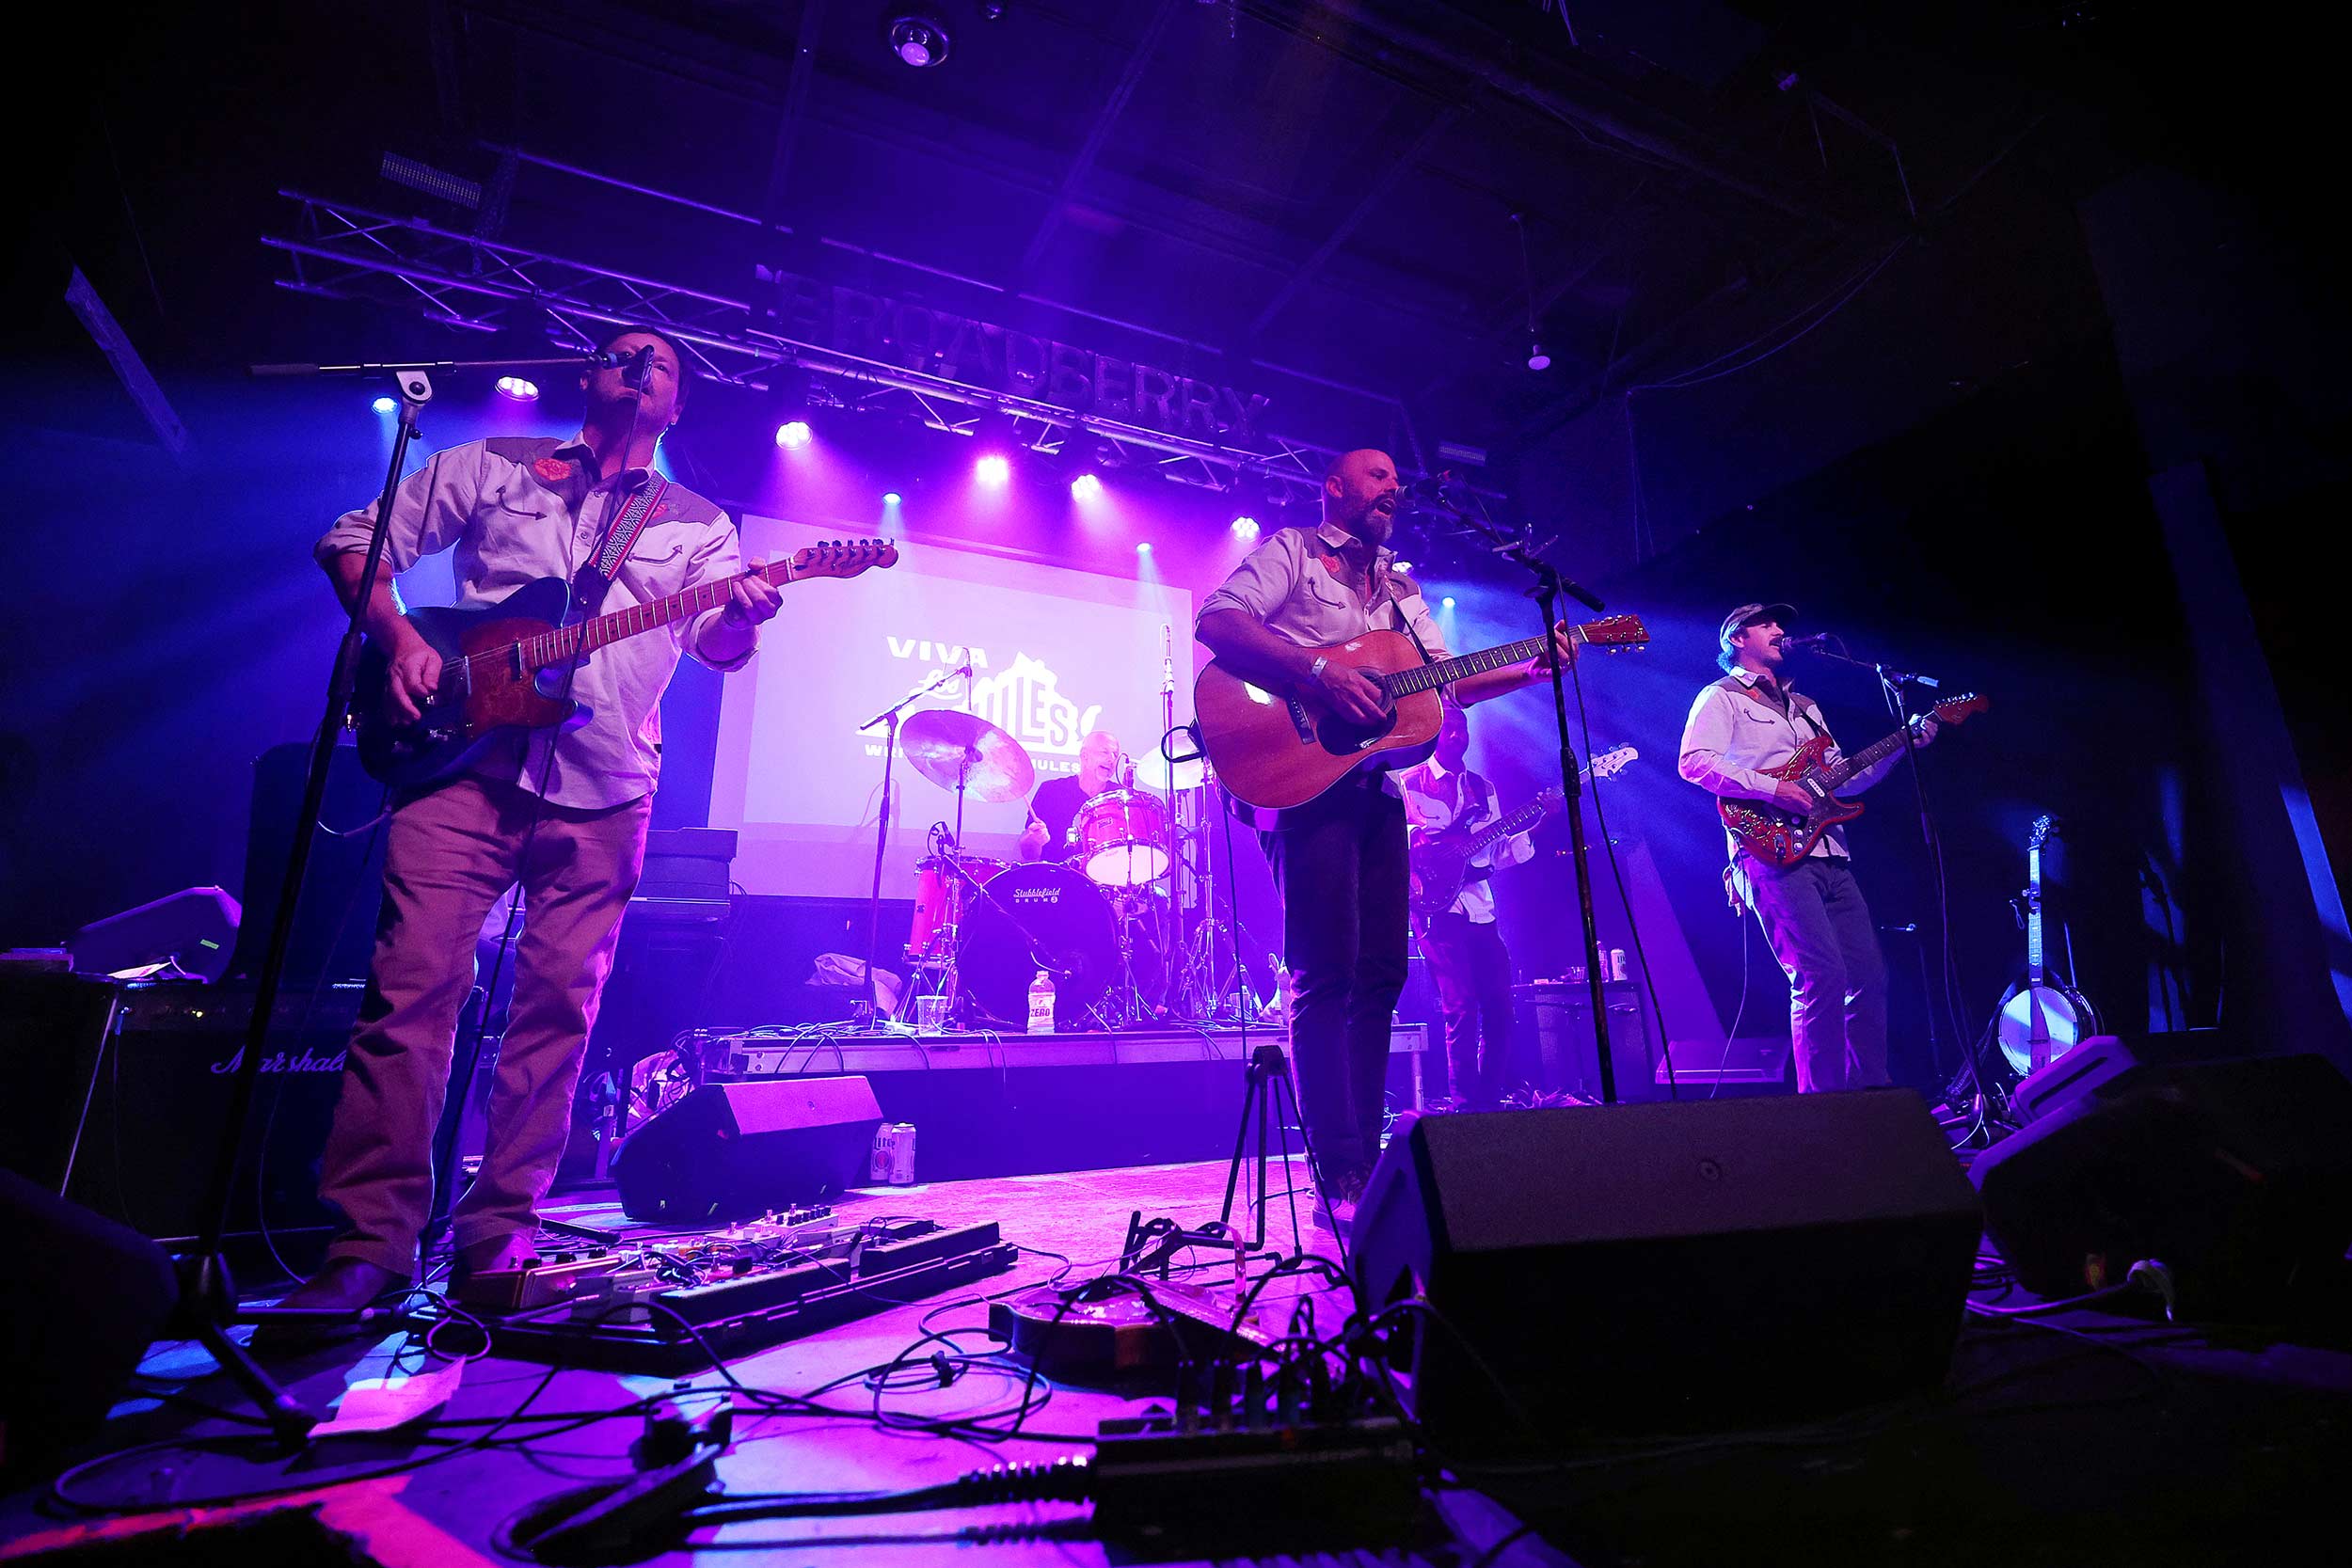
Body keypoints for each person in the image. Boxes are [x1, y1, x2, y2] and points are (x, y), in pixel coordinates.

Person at [274, 325, 785, 1326]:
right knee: (410, 993)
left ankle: (497, 1235)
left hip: (605, 784)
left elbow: (714, 641)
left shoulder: (697, 523)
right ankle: (367, 1246)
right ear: (591, 376)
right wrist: (403, 637)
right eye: (623, 352)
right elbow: (353, 540)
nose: (642, 366)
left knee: (556, 1013)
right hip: (464, 758)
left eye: (665, 362)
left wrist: (745, 614)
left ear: (676, 405)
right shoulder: (495, 467)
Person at [1195, 449, 1576, 1233]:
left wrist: (1533, 668)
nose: (1393, 487)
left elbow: (1446, 679)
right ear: (1335, 487)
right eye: (1376, 476)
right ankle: (1331, 1161)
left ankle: (1363, 1157)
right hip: (1300, 781)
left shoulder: (1402, 591)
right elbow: (1218, 621)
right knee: (1324, 973)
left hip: (1377, 788)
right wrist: (1316, 673)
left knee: (1380, 975)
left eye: (1397, 480)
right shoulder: (1294, 552)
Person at [1677, 604, 1936, 1094]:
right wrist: (1773, 789)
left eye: (1781, 624)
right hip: (1771, 852)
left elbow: (1848, 777)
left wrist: (1904, 743)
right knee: (1820, 975)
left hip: (1830, 851)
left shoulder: (1807, 707)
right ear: (1737, 638)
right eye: (1767, 625)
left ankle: (1871, 1097)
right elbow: (1694, 762)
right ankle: (1824, 1107)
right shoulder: (1721, 698)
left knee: (1869, 977)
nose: (1780, 631)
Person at [1398, 703, 1535, 1111]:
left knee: (1499, 1006)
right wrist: (1418, 843)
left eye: (1463, 729)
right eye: (1449, 729)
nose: (1458, 735)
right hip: (1434, 909)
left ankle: (1488, 1102)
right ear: (1433, 732)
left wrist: (1532, 825)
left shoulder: (1484, 789)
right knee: (1460, 1005)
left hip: (1479, 908)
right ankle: (1464, 1105)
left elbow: (1494, 857)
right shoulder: (1409, 783)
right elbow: (1394, 840)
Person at [1020, 729, 1131, 863]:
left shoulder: (1121, 797)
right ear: (1084, 756)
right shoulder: (1050, 790)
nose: (1111, 759)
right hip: (1055, 879)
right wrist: (1034, 840)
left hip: (1104, 880)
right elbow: (1028, 853)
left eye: (1115, 754)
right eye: (1104, 752)